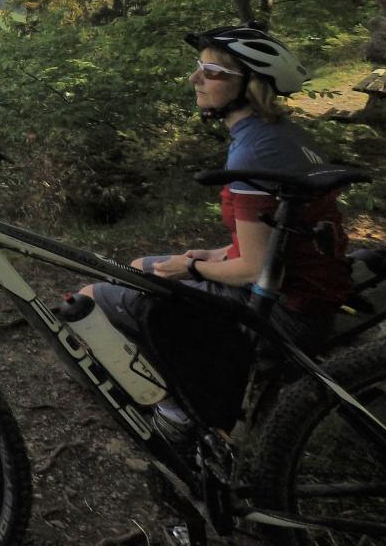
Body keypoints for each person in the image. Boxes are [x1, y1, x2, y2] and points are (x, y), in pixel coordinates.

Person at [81, 26, 351, 431]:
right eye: (199, 67)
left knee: (90, 299)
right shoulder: (277, 135)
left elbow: (256, 271)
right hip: (310, 290)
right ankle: (189, 384)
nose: (195, 79)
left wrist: (191, 269)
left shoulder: (254, 148)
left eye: (211, 71)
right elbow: (275, 238)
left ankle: (180, 411)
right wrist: (212, 256)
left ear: (251, 85)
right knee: (141, 266)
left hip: (288, 312)